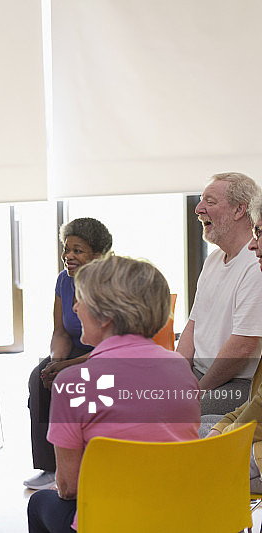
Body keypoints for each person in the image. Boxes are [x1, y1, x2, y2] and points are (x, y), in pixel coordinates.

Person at [27, 256, 200, 533]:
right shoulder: (179, 367)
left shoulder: (73, 383)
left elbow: (69, 488)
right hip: (179, 517)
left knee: (38, 502)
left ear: (106, 316)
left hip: (112, 522)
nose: (75, 307)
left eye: (81, 300)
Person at [24, 218, 112, 490]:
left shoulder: (109, 283)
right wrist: (56, 362)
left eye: (78, 250)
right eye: (66, 249)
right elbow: (60, 331)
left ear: (98, 255)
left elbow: (113, 344)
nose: (68, 256)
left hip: (105, 354)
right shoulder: (64, 280)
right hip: (74, 348)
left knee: (67, 382)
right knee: (39, 377)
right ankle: (50, 467)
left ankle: (79, 466)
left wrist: (67, 367)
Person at [176, 172, 262, 415]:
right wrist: (177, 376)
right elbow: (193, 325)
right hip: (199, 375)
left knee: (173, 418)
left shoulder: (256, 264)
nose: (198, 209)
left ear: (239, 210)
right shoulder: (213, 260)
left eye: (210, 201)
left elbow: (243, 346)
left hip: (236, 382)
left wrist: (197, 391)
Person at [202, 195, 262, 493]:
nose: (253, 244)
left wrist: (226, 435)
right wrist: (221, 428)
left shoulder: (252, 270)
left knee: (175, 437)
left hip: (236, 387)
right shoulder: (212, 261)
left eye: (259, 233)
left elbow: (242, 347)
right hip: (249, 417)